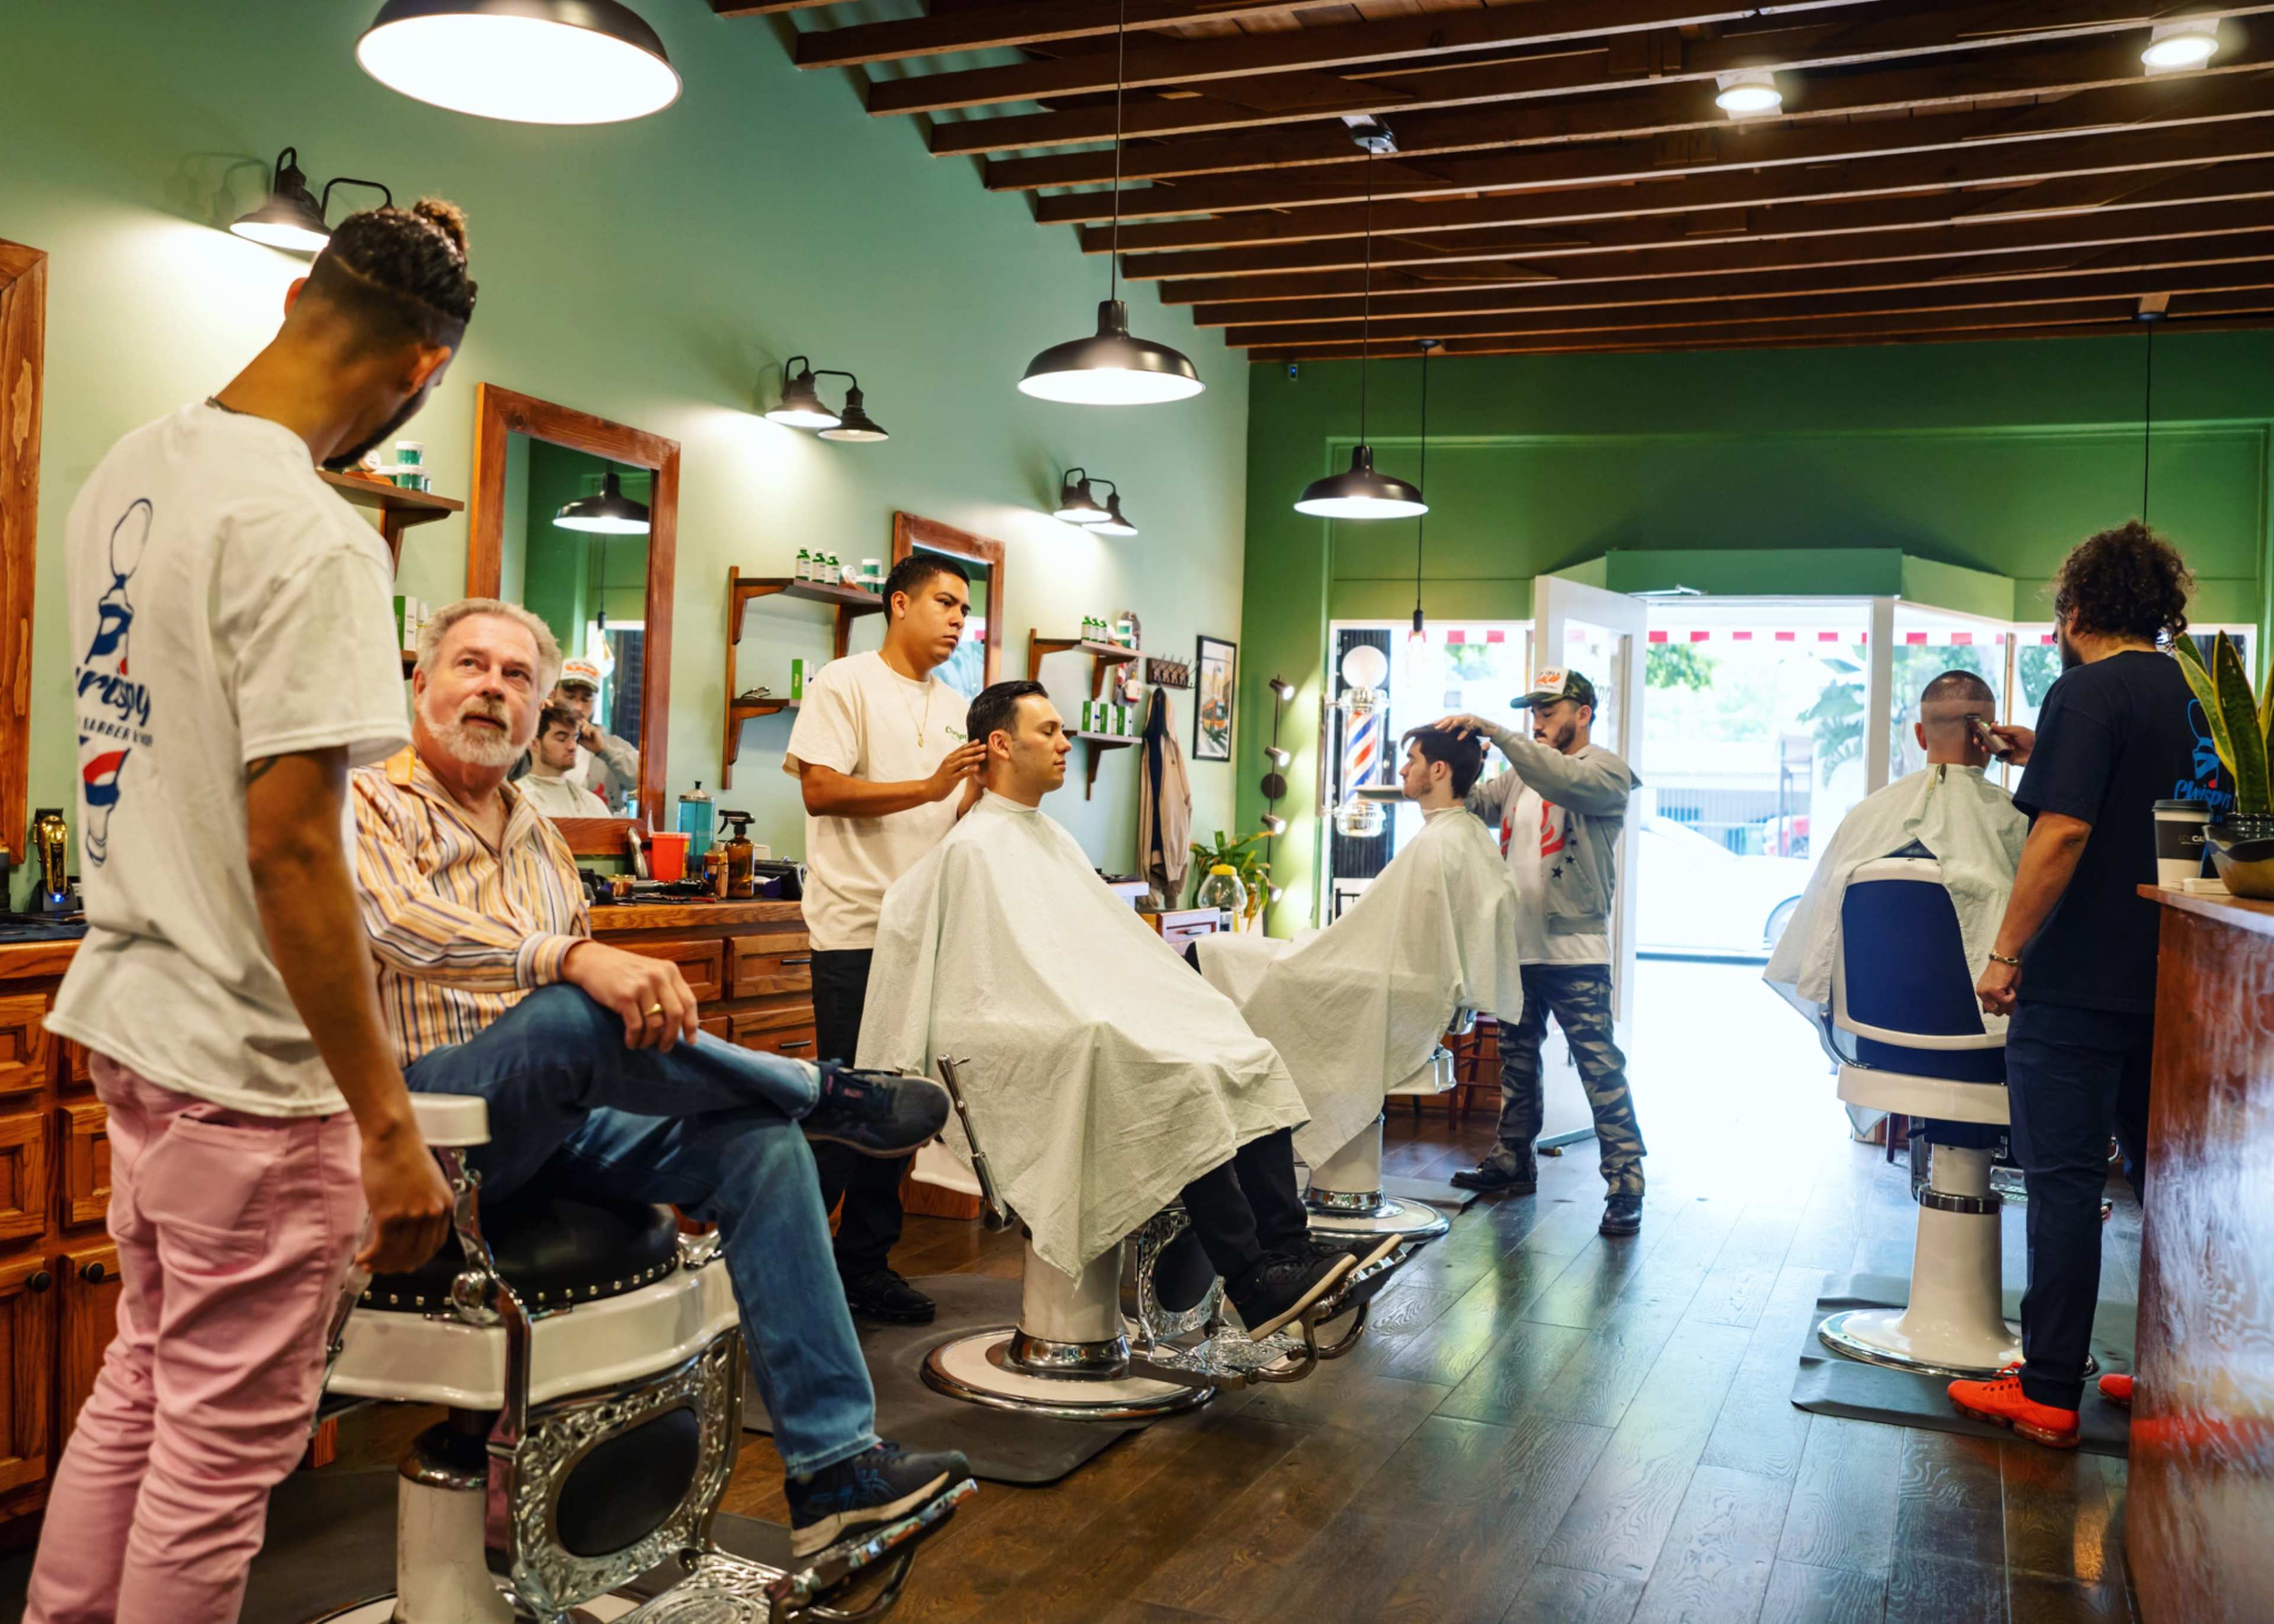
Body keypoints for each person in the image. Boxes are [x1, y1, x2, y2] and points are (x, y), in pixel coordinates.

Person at [25, 200, 471, 1624]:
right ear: (420, 373)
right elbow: (291, 852)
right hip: (245, 1071)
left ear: (293, 306)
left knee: (144, 1381)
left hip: (132, 1022)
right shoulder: (316, 536)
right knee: (221, 1454)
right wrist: (386, 1124)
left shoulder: (134, 468)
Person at [351, 596, 974, 1554]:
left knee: (760, 1148)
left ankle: (834, 1467)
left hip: (555, 1122)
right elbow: (394, 923)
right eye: (471, 664)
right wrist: (564, 957)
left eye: (518, 677)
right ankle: (819, 1089)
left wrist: (612, 1010)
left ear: (540, 706)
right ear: (422, 681)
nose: (492, 688)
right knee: (570, 1005)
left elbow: (607, 1028)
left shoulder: (540, 832)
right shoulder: (362, 801)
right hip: (424, 1127)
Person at [860, 681, 1358, 1336]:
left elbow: (1094, 953)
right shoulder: (973, 848)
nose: (1065, 743)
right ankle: (1250, 1276)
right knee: (1174, 1073)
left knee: (1238, 1048)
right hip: (1021, 1042)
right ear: (1002, 744)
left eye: (1064, 730)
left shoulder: (1052, 840)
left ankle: (1286, 1252)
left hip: (1077, 1021)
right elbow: (985, 986)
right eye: (1049, 731)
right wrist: (1089, 1014)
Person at [1949, 523, 2218, 1449]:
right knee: (2171, 1184)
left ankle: (2051, 1389)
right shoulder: (2201, 695)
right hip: (2180, 974)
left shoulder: (2086, 688)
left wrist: (2008, 952)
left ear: (2077, 608)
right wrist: (2044, 746)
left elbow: (2062, 835)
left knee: (2063, 1183)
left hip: (2078, 982)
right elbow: (2158, 804)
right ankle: (2175, 1374)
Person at [783, 554, 987, 1326]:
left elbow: (945, 820)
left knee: (904, 1111)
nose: (957, 620)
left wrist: (965, 802)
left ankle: (864, 1265)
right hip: (854, 929)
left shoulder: (955, 703)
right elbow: (821, 788)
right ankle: (783, 1258)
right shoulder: (845, 683)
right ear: (899, 603)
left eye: (964, 609)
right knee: (848, 1108)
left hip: (924, 932)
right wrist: (933, 786)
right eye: (944, 602)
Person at [1196, 728, 1523, 1178]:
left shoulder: (1437, 843)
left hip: (1401, 987)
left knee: (1215, 951)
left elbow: (1383, 941)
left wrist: (1318, 949)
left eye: (1412, 760)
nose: (1404, 769)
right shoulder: (1461, 837)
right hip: (1417, 984)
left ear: (1440, 770)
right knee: (1240, 952)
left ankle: (1214, 1138)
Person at [1437, 670, 1648, 1236]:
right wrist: (1447, 761)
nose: (1538, 721)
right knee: (1517, 1062)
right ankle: (1513, 1159)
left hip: (1576, 949)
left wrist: (1503, 736)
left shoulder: (1606, 772)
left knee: (1600, 1068)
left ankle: (1626, 1180)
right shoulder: (1519, 778)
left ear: (1583, 712)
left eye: (1549, 710)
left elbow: (1562, 781)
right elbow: (1470, 804)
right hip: (1519, 946)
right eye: (1533, 711)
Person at [1764, 669, 2029, 1024]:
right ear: (1990, 734)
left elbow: (1816, 937)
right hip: (1985, 1036)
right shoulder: (2020, 819)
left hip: (1872, 1031)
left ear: (1920, 735)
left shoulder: (1865, 817)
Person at [550, 656, 639, 810]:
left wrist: (604, 751)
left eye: (586, 700)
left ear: (596, 702)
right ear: (552, 695)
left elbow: (647, 782)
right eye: (570, 697)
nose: (578, 707)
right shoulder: (532, 741)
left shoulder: (612, 745)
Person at [519, 701, 612, 819]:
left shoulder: (590, 803)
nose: (573, 747)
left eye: (576, 738)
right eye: (562, 739)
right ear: (534, 744)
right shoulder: (516, 799)